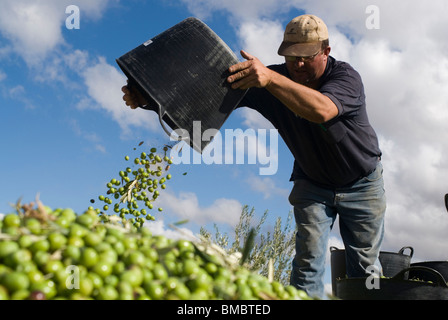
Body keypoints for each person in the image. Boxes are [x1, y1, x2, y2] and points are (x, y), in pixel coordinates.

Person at [122, 14, 386, 299]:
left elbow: (321, 110)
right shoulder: (268, 81)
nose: (297, 64)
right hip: (313, 184)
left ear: (326, 52)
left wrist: (270, 78)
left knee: (364, 265)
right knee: (308, 262)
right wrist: (149, 99)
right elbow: (207, 92)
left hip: (362, 184)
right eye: (290, 56)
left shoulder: (345, 78)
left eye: (306, 57)